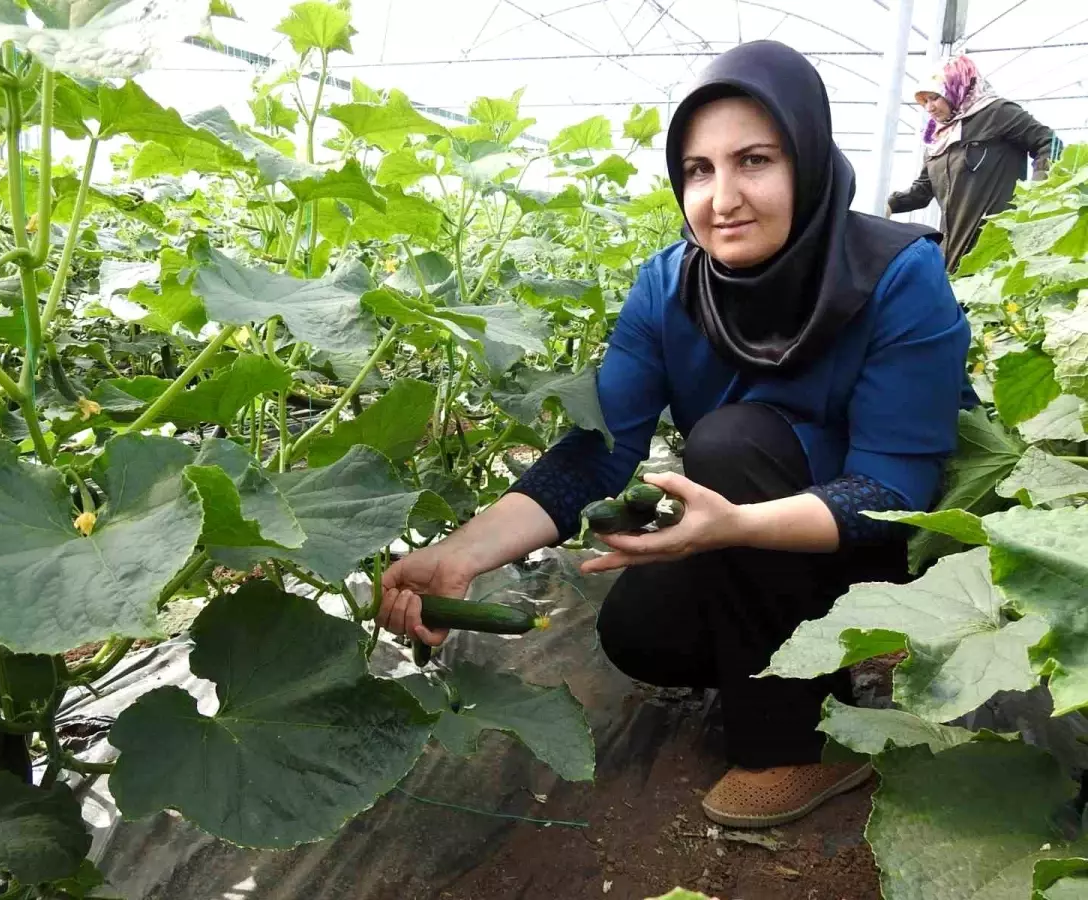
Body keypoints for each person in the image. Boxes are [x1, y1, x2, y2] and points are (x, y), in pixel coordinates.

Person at [377, 42, 973, 828]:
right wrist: (461, 552)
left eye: (754, 160)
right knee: (640, 632)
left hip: (879, 544)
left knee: (731, 441)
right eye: (698, 169)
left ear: (809, 159)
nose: (721, 197)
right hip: (751, 527)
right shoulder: (667, 285)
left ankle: (795, 748)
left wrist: (733, 527)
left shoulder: (899, 275)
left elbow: (897, 490)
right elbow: (599, 452)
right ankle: (811, 670)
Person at [888, 54, 1061, 274]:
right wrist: (891, 204)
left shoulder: (995, 113)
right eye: (925, 101)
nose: (929, 108)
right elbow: (923, 190)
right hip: (952, 250)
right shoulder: (938, 137)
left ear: (956, 88)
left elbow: (1049, 142)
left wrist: (1037, 195)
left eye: (935, 97)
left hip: (994, 244)